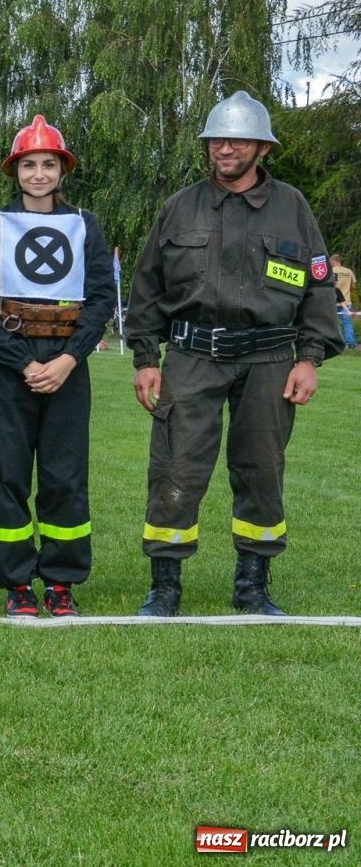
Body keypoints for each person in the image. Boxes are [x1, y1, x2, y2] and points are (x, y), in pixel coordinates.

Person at [127, 91, 343, 617]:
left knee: (261, 471)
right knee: (176, 470)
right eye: (217, 139)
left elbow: (318, 286)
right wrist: (145, 358)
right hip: (192, 358)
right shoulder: (180, 207)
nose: (225, 148)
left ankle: (253, 586)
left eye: (237, 140)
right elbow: (147, 286)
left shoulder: (293, 208)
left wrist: (310, 358)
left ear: (262, 148)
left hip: (270, 363)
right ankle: (165, 587)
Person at [0, 116, 116, 618]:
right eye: (29, 165)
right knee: (6, 476)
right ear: (16, 171)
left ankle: (61, 582)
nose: (39, 174)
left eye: (48, 164)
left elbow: (100, 298)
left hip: (68, 366)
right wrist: (25, 364)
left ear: (61, 170)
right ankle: (17, 583)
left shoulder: (85, 225)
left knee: (64, 477)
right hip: (9, 369)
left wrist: (70, 358)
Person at [332, 253, 355, 350]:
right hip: (346, 301)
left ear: (334, 260)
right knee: (347, 323)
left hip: (332, 302)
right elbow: (353, 286)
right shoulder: (349, 271)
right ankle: (351, 344)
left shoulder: (330, 271)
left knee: (334, 323)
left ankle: (337, 342)